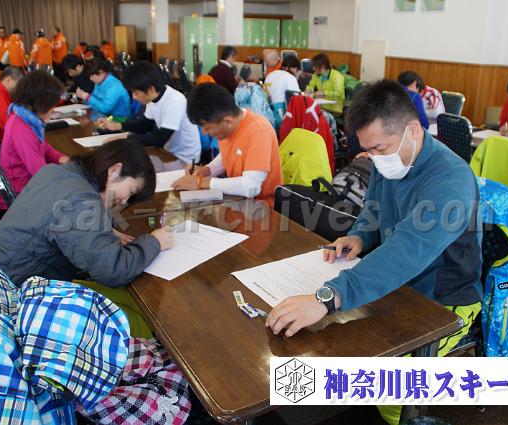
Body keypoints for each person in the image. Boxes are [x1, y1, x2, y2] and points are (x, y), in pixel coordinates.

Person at [265, 80, 482, 425]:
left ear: (413, 130)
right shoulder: (390, 159)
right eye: (368, 150)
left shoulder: (450, 180)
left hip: (444, 299)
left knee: (393, 388)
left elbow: (405, 252)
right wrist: (360, 237)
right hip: (398, 283)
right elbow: (375, 208)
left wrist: (325, 298)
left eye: (381, 148)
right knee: (341, 347)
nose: (375, 159)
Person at [0, 139, 174, 336]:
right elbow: (112, 270)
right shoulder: (80, 199)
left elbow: (63, 221)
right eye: (130, 191)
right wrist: (154, 241)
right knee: (130, 321)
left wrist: (104, 229)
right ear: (114, 170)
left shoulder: (58, 173)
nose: (125, 200)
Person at [172, 83, 283, 207]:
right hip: (235, 201)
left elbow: (251, 187)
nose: (203, 132)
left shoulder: (259, 131)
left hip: (261, 208)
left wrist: (201, 182)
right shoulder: (227, 129)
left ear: (227, 121)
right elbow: (226, 156)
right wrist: (207, 170)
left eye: (207, 128)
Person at [97, 61, 201, 170]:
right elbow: (145, 125)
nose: (134, 97)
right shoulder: (153, 97)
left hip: (186, 159)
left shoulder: (174, 101)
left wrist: (125, 137)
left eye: (136, 93)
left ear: (151, 89)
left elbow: (159, 139)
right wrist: (117, 125)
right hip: (168, 153)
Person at [0, 71, 69, 215]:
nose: (53, 110)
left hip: (27, 188)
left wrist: (61, 158)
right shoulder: (22, 128)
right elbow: (41, 174)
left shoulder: (24, 118)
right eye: (51, 105)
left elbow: (44, 147)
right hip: (20, 199)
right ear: (39, 103)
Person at [264, 55, 300, 129]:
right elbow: (298, 99)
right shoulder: (290, 77)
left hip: (267, 115)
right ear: (293, 68)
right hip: (282, 117)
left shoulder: (270, 75)